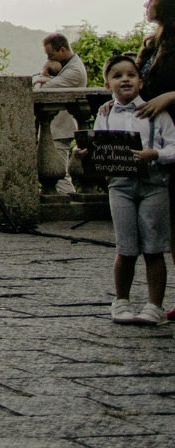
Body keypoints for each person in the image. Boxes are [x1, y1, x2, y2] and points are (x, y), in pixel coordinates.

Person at [84, 54, 174, 325]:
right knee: (125, 247)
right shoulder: (105, 113)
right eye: (118, 75)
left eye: (131, 75)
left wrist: (155, 154)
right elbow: (99, 146)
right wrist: (85, 153)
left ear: (140, 81)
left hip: (153, 184)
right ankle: (121, 301)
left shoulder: (157, 112)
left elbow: (173, 146)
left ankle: (154, 305)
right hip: (120, 185)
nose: (125, 79)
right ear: (108, 83)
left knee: (154, 247)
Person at [34, 32, 89, 194]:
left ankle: (68, 204)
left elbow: (42, 90)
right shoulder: (66, 66)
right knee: (56, 171)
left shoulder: (74, 71)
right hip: (54, 128)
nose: (49, 59)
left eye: (51, 55)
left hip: (60, 128)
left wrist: (43, 74)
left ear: (62, 50)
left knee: (59, 174)